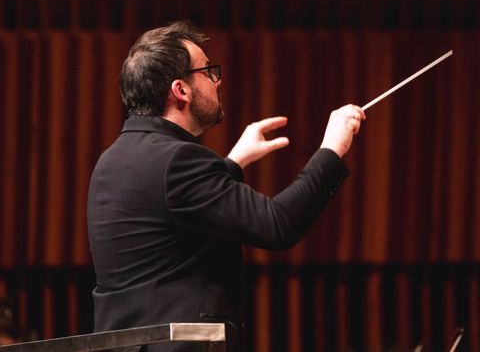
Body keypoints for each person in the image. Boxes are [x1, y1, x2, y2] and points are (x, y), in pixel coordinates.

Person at [87, 21, 365, 352]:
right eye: (208, 71)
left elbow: (175, 220)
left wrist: (232, 163)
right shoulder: (178, 160)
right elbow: (278, 224)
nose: (217, 80)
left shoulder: (112, 159)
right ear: (181, 90)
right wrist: (331, 150)